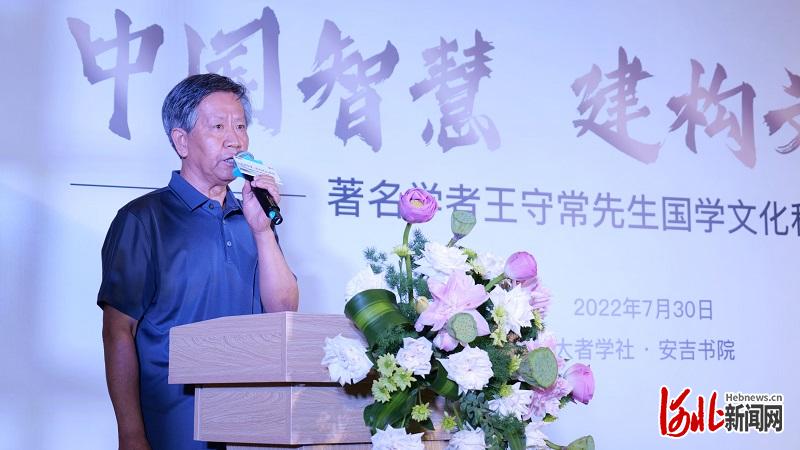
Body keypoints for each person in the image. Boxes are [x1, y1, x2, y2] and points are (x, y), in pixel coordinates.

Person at [98, 73, 299, 450]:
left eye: (241, 126)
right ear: (181, 141)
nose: (235, 140)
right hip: (172, 427)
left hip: (252, 426)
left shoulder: (253, 217)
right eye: (218, 127)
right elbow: (118, 330)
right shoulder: (144, 219)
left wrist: (261, 230)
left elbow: (284, 312)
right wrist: (130, 433)